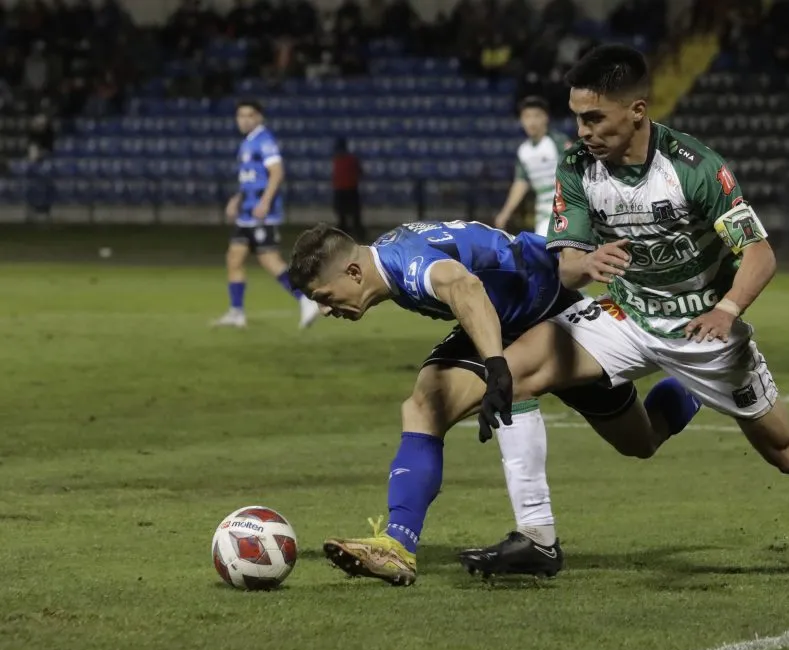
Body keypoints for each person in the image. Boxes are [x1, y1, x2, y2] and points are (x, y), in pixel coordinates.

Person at [463, 44, 789, 574]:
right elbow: (565, 264)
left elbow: (759, 253)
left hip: (703, 329)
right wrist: (584, 264)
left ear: (637, 111)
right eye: (577, 119)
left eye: (594, 118)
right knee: (514, 374)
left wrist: (727, 309)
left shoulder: (694, 168)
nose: (583, 131)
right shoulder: (577, 168)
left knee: (788, 453)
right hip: (628, 314)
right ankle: (537, 539)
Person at [286, 221, 701, 585]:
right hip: (505, 319)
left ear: (354, 271)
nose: (323, 309)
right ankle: (398, 542)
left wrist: (497, 366)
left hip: (554, 312)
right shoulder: (388, 255)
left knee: (640, 440)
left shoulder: (404, 264)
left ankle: (696, 385)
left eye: (323, 295)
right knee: (426, 404)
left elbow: (463, 286)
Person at [213, 100, 319, 329]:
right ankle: (236, 312)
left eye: (250, 115)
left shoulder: (264, 140)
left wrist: (265, 201)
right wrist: (237, 199)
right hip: (246, 213)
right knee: (234, 258)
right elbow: (251, 178)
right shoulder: (248, 143)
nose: (244, 120)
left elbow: (277, 172)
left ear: (259, 117)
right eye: (240, 116)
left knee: (270, 260)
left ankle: (306, 300)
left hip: (261, 214)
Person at [494, 96, 572, 236]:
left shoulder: (558, 142)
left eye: (537, 116)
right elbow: (521, 183)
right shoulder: (524, 151)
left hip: (565, 209)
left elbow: (576, 172)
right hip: (542, 214)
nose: (532, 121)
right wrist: (505, 213)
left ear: (546, 118)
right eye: (527, 116)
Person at [331, 137, 364, 241]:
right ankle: (357, 234)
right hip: (350, 190)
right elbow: (360, 172)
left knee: (343, 216)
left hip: (342, 190)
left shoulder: (337, 160)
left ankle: (343, 236)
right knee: (353, 215)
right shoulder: (351, 159)